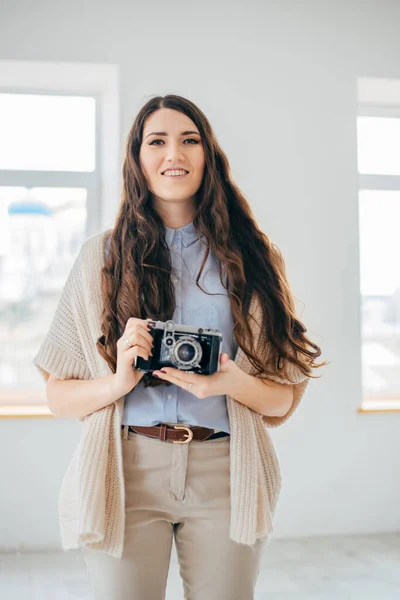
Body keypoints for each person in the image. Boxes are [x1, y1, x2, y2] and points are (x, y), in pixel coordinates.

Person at [33, 94, 325, 600]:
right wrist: (120, 380)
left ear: (208, 155)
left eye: (190, 140)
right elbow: (58, 395)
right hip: (123, 470)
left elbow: (283, 398)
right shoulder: (100, 259)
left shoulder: (253, 258)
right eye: (157, 141)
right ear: (137, 158)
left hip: (225, 468)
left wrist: (234, 383)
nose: (175, 154)